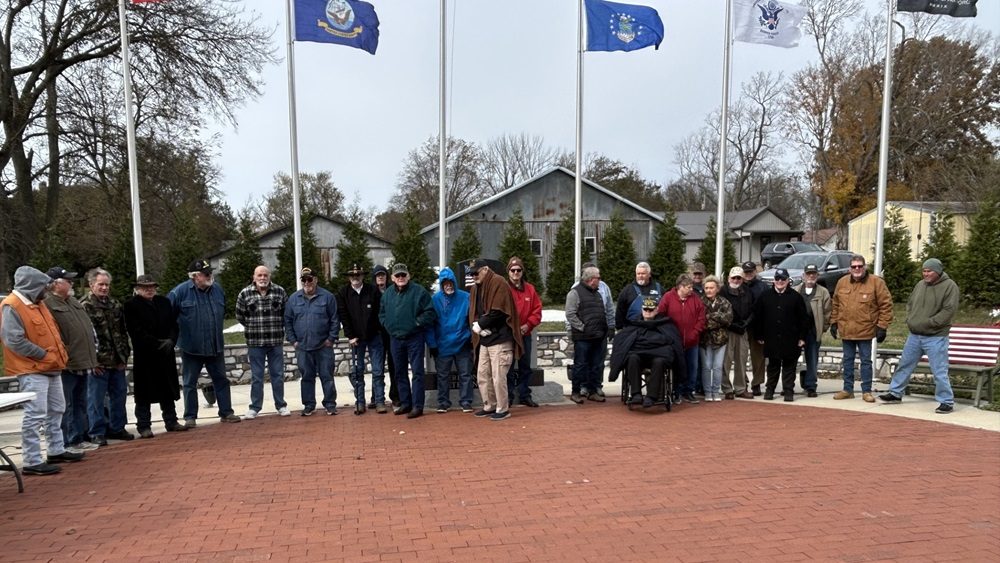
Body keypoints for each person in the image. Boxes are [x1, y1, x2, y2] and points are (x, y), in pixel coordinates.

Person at [1, 266, 84, 475]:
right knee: (35, 414)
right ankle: (32, 460)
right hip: (32, 368)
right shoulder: (12, 305)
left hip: (51, 366)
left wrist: (56, 356)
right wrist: (43, 355)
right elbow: (13, 340)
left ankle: (56, 449)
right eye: (42, 287)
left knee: (57, 409)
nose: (46, 291)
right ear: (31, 286)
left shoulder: (37, 303)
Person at [879, 258, 960, 414]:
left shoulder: (950, 286)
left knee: (939, 370)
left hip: (936, 336)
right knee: (905, 365)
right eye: (924, 270)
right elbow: (910, 304)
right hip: (915, 335)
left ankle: (946, 401)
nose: (926, 273)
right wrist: (911, 319)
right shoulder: (920, 285)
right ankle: (895, 393)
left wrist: (930, 323)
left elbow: (948, 311)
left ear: (938, 271)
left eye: (929, 271)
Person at [168, 259, 241, 426]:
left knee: (221, 380)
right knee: (190, 383)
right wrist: (175, 339)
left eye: (210, 272)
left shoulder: (217, 290)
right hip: (191, 348)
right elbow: (167, 318)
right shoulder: (179, 292)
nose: (210, 276)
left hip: (215, 346)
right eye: (206, 273)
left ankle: (226, 412)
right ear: (195, 276)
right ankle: (190, 417)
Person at [123, 274, 188, 438]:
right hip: (145, 355)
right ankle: (144, 425)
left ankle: (171, 421)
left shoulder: (164, 302)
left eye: (152, 286)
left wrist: (171, 341)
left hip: (166, 354)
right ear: (137, 289)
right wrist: (156, 343)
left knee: (167, 390)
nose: (149, 289)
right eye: (145, 287)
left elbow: (174, 325)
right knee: (144, 393)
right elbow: (135, 331)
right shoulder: (131, 306)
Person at [43, 267, 100, 452]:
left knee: (80, 402)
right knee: (64, 405)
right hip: (67, 364)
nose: (72, 283)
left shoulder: (73, 301)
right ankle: (66, 442)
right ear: (55, 283)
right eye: (67, 280)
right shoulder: (48, 304)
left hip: (84, 360)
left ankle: (79, 438)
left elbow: (88, 328)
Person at [829, 254, 893, 403]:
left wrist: (882, 326)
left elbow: (886, 305)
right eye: (854, 266)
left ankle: (866, 391)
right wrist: (834, 322)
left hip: (866, 330)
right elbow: (836, 304)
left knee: (866, 362)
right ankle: (847, 389)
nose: (857, 269)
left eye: (859, 266)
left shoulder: (876, 282)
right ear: (850, 268)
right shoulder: (842, 282)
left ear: (864, 267)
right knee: (847, 361)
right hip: (846, 330)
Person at [81, 268, 134, 444]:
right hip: (98, 362)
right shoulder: (84, 306)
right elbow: (85, 336)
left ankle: (117, 428)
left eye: (106, 285)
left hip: (117, 360)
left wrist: (124, 356)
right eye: (100, 284)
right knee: (95, 399)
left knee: (119, 396)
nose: (104, 288)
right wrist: (92, 361)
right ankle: (96, 431)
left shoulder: (115, 305)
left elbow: (122, 332)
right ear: (91, 285)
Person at [378, 263, 436, 419]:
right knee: (399, 372)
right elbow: (381, 313)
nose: (401, 278)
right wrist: (387, 325)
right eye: (397, 275)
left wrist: (416, 324)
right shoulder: (388, 294)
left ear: (408, 276)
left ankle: (418, 406)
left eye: (403, 275)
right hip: (395, 339)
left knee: (417, 372)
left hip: (414, 338)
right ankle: (405, 403)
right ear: (392, 278)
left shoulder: (419, 292)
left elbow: (430, 312)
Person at [468, 259, 522, 421]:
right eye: (471, 274)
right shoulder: (477, 288)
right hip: (485, 338)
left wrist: (480, 325)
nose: (474, 276)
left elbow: (499, 311)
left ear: (485, 269)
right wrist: (478, 326)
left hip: (500, 338)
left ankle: (502, 408)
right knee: (482, 374)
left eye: (476, 273)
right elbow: (476, 311)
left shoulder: (498, 282)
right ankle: (489, 405)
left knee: (499, 376)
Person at [608, 296, 685, 408]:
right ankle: (636, 394)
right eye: (645, 309)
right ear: (642, 310)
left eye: (651, 310)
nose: (648, 312)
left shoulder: (666, 324)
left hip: (659, 357)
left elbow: (673, 343)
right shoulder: (634, 324)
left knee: (659, 362)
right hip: (640, 357)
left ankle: (652, 397)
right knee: (632, 358)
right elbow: (622, 341)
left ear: (657, 310)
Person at [235, 265, 290, 419]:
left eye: (265, 275)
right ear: (254, 277)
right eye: (259, 275)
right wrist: (252, 327)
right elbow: (240, 315)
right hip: (255, 342)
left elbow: (286, 314)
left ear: (269, 276)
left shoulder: (280, 291)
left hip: (275, 341)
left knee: (278, 375)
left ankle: (281, 405)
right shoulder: (245, 293)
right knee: (257, 377)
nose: (262, 278)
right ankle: (254, 407)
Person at [284, 267, 340, 416]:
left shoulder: (328, 297)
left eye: (310, 279)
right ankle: (309, 405)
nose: (307, 282)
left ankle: (330, 404)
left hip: (324, 346)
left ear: (316, 280)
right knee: (306, 377)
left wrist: (331, 339)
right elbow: (288, 321)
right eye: (304, 280)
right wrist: (293, 341)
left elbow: (335, 319)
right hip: (302, 346)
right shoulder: (293, 299)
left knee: (327, 376)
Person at [337, 263, 387, 415]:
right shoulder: (343, 293)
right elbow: (343, 316)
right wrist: (350, 336)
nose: (355, 278)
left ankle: (379, 401)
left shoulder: (373, 291)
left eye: (358, 275)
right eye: (352, 276)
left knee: (378, 371)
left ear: (363, 276)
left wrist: (379, 329)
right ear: (349, 277)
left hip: (374, 336)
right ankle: (359, 402)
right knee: (357, 371)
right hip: (356, 339)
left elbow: (380, 312)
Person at [752, 268, 808, 401]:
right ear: (773, 280)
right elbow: (757, 317)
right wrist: (759, 335)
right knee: (773, 366)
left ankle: (788, 391)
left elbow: (803, 319)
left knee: (789, 366)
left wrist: (802, 337)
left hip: (791, 338)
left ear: (788, 280)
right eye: (777, 279)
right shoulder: (765, 296)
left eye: (783, 279)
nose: (780, 281)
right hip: (771, 338)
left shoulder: (796, 297)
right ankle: (770, 390)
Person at [426, 267, 473, 413]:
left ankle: (466, 402)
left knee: (465, 375)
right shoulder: (435, 300)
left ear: (454, 282)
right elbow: (429, 324)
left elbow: (473, 319)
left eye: (450, 282)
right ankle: (443, 402)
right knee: (443, 376)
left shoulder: (465, 298)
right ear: (441, 284)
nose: (448, 285)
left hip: (463, 342)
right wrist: (432, 344)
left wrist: (471, 337)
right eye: (445, 283)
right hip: (442, 345)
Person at [656, 274, 705, 404]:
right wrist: (668, 333)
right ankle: (676, 392)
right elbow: (661, 316)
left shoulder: (696, 299)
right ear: (680, 287)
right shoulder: (667, 297)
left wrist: (695, 333)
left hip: (692, 341)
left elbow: (701, 318)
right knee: (677, 367)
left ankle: (689, 392)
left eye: (691, 287)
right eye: (689, 287)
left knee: (692, 367)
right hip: (674, 342)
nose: (691, 289)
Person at [566, 265, 610, 404]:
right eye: (598, 278)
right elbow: (570, 314)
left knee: (596, 365)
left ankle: (593, 391)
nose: (600, 280)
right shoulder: (575, 293)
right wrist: (582, 328)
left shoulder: (596, 292)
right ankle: (576, 392)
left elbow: (604, 311)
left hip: (599, 336)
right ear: (591, 279)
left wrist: (607, 328)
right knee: (580, 365)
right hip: (583, 337)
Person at [505, 256, 542, 408]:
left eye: (518, 270)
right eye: (513, 270)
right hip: (508, 335)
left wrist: (528, 325)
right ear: (508, 272)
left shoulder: (530, 289)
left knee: (525, 367)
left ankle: (524, 395)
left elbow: (537, 310)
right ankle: (507, 396)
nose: (515, 273)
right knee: (507, 367)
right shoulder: (504, 289)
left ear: (522, 272)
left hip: (525, 335)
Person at [794, 263, 831, 398]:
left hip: (813, 332)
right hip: (796, 332)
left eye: (813, 274)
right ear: (803, 276)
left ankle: (810, 386)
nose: (811, 276)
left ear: (817, 275)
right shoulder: (795, 290)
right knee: (791, 360)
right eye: (808, 274)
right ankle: (789, 385)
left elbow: (828, 313)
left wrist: (823, 328)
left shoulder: (823, 292)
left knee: (812, 360)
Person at [721, 266, 754, 400]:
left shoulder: (747, 291)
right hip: (728, 330)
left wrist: (746, 323)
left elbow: (753, 309)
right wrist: (731, 325)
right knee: (726, 361)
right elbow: (720, 311)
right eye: (733, 277)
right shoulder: (723, 291)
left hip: (743, 330)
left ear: (742, 279)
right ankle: (727, 389)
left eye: (739, 278)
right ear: (729, 278)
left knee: (741, 360)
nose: (736, 280)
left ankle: (740, 388)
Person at [699, 275, 733, 402]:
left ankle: (715, 391)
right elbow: (701, 321)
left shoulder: (724, 302)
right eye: (706, 288)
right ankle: (708, 392)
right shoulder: (699, 302)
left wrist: (711, 316)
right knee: (707, 367)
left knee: (718, 366)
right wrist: (718, 317)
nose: (709, 290)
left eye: (711, 288)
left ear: (717, 289)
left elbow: (728, 320)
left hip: (721, 340)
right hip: (704, 340)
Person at [372, 265, 398, 407]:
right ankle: (376, 397)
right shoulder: (370, 293)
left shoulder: (392, 291)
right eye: (377, 275)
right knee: (377, 367)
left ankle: (395, 395)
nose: (380, 277)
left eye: (382, 275)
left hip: (391, 334)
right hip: (376, 335)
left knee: (394, 365)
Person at [742, 261, 767, 396]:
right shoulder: (738, 286)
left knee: (758, 357)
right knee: (741, 357)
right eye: (746, 272)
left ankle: (756, 383)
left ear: (755, 272)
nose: (748, 274)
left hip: (757, 327)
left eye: (751, 271)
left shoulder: (762, 287)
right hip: (742, 327)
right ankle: (743, 383)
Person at [615, 261, 663, 330]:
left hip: (655, 330)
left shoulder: (659, 288)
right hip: (633, 330)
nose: (640, 276)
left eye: (643, 273)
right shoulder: (627, 290)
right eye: (638, 274)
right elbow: (620, 312)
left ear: (649, 274)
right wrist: (619, 328)